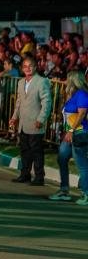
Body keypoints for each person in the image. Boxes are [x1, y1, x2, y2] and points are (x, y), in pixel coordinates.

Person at [9, 56, 52, 185]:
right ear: (22, 68)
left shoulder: (42, 81)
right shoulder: (21, 82)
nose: (27, 68)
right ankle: (25, 174)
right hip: (23, 123)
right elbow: (19, 102)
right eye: (25, 66)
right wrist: (14, 117)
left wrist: (41, 118)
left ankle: (39, 177)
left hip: (36, 123)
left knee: (36, 152)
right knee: (25, 151)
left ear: (35, 67)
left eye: (30, 66)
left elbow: (47, 102)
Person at [49, 70, 88, 205]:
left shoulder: (82, 94)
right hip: (70, 134)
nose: (65, 80)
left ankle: (86, 193)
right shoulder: (73, 95)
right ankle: (64, 190)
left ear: (73, 80)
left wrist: (71, 130)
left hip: (79, 133)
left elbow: (82, 114)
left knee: (81, 164)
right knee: (62, 158)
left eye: (67, 78)